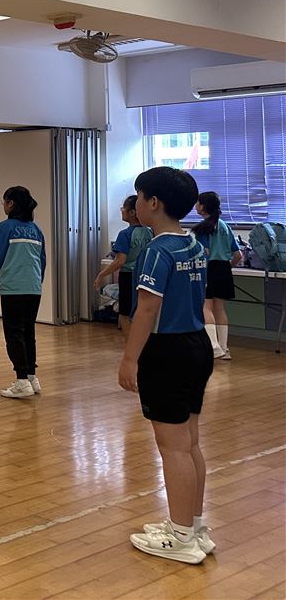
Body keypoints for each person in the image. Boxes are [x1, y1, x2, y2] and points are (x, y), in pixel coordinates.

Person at [121, 166, 213, 564]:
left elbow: (147, 308)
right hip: (197, 346)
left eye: (139, 197)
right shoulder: (192, 244)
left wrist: (130, 359)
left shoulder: (157, 251)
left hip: (168, 351)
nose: (136, 205)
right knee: (189, 442)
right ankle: (193, 526)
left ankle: (181, 538)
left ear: (153, 203)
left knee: (172, 446)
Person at [0, 186, 46, 399]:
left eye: (4, 201)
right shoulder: (36, 229)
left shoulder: (5, 227)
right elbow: (42, 260)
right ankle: (31, 377)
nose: (3, 205)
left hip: (13, 288)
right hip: (34, 288)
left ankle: (21, 381)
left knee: (14, 334)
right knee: (28, 332)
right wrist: (37, 281)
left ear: (10, 203)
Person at [94, 195, 153, 336]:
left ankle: (130, 344)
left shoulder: (125, 234)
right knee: (141, 311)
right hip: (146, 276)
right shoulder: (150, 232)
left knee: (125, 313)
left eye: (123, 208)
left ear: (132, 212)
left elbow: (120, 261)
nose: (121, 210)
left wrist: (101, 275)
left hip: (128, 276)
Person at [193, 191, 241, 360]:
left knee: (205, 307)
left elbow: (204, 252)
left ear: (203, 206)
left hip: (209, 268)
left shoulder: (203, 228)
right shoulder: (225, 226)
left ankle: (214, 347)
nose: (195, 206)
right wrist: (227, 267)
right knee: (219, 308)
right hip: (223, 268)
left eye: (197, 203)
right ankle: (224, 348)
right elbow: (238, 255)